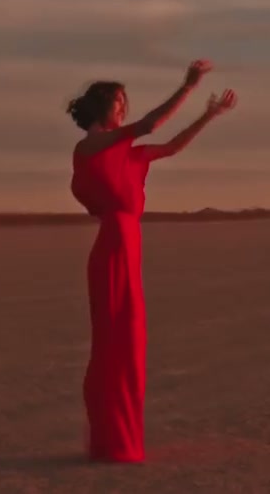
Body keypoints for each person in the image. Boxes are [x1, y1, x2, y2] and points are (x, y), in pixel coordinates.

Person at [67, 59, 239, 463]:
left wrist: (209, 116)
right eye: (118, 101)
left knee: (129, 345)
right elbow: (148, 125)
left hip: (127, 247)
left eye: (125, 101)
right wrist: (188, 86)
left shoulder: (127, 155)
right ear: (99, 106)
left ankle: (119, 440)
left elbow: (172, 146)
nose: (123, 107)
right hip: (114, 249)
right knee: (116, 344)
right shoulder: (90, 147)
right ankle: (113, 443)